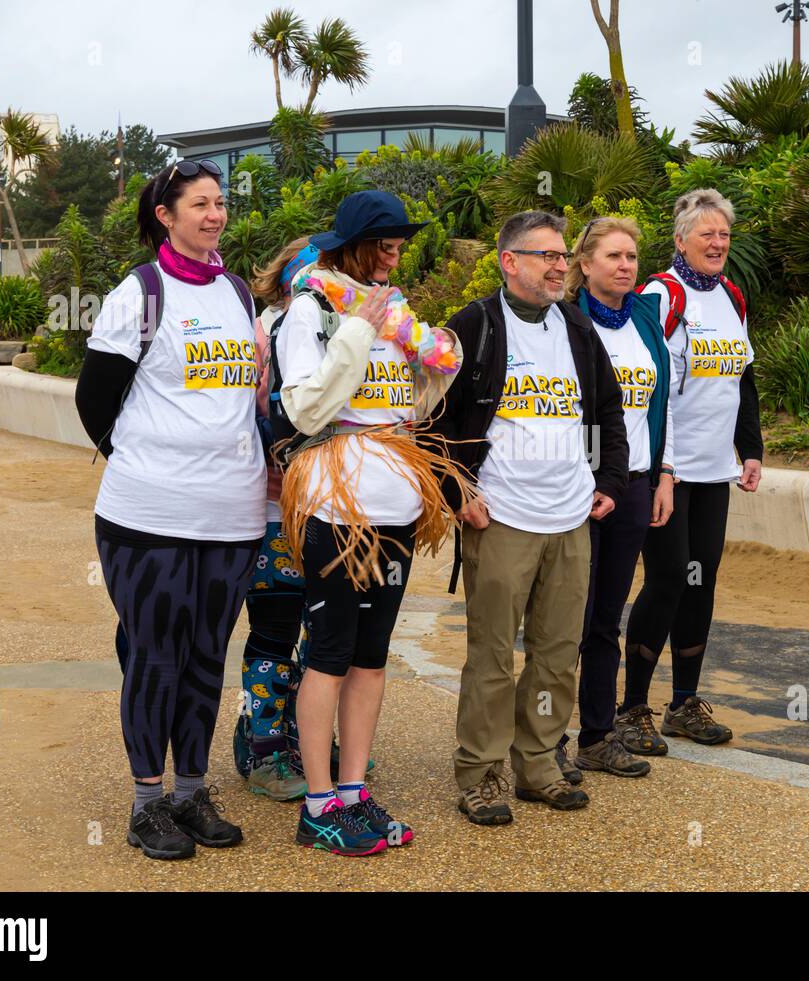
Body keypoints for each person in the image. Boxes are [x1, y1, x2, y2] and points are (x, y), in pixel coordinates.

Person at [75, 160, 263, 860]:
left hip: (232, 512)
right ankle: (148, 802)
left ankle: (191, 789)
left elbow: (242, 397)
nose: (215, 215)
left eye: (221, 203)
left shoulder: (237, 292)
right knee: (156, 655)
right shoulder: (140, 294)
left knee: (208, 656)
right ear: (167, 214)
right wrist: (143, 458)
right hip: (148, 513)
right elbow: (95, 399)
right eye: (200, 205)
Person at [273, 190, 469, 855]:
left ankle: (353, 792)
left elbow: (410, 398)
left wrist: (437, 358)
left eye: (398, 245)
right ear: (352, 246)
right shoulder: (314, 310)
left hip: (394, 505)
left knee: (370, 655)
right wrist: (360, 326)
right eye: (383, 244)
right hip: (337, 503)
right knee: (328, 654)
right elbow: (305, 407)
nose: (394, 255)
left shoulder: (397, 313)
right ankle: (318, 803)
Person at [432, 210, 629, 825]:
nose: (558, 266)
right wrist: (455, 489)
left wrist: (609, 480)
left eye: (563, 255)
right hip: (502, 518)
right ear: (508, 261)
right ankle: (481, 773)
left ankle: (538, 762)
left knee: (556, 651)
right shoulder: (474, 326)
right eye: (545, 255)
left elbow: (606, 408)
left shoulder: (574, 325)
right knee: (491, 653)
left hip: (570, 517)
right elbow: (430, 419)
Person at [618, 188, 765, 753]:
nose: (718, 242)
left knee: (702, 581)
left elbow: (742, 379)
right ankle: (632, 708)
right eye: (707, 234)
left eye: (724, 234)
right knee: (667, 579)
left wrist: (749, 450)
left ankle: (684, 703)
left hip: (715, 470)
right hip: (668, 470)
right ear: (681, 240)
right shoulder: (661, 294)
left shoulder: (731, 296)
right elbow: (652, 385)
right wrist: (665, 470)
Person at [558, 216, 676, 779]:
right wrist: (588, 477)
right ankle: (546, 738)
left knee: (607, 617)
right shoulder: (565, 321)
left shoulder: (646, 320)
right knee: (565, 618)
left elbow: (661, 400)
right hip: (578, 485)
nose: (626, 265)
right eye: (613, 256)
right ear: (585, 264)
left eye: (632, 256)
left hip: (632, 483)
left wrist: (662, 474)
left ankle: (597, 735)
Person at [234, 238, 320, 802]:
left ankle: (304, 737)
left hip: (339, 511)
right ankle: (264, 746)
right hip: (273, 510)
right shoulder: (261, 335)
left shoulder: (349, 331)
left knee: (328, 635)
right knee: (274, 630)